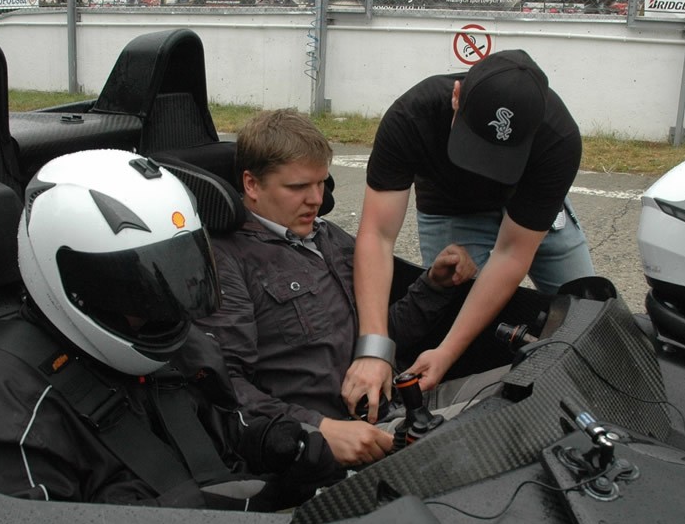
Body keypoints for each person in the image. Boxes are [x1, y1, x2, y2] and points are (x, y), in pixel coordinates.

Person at [0, 148, 332, 510]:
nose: (163, 309)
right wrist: (194, 510)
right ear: (77, 284)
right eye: (139, 291)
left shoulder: (172, 343)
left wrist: (272, 442)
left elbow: (224, 429)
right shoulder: (6, 402)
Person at [195, 109, 477, 468]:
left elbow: (381, 335)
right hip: (349, 438)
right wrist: (319, 430)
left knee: (524, 389)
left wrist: (434, 285)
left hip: (405, 401)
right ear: (251, 184)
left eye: (321, 183)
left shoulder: (328, 237)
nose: (316, 199)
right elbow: (226, 388)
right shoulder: (228, 262)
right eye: (298, 187)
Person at [345, 49, 594, 414]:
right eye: (475, 146)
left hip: (528, 206)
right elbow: (378, 236)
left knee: (589, 313)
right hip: (452, 205)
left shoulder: (558, 137)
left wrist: (447, 352)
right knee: (459, 323)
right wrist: (374, 348)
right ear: (456, 95)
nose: (485, 169)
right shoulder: (412, 115)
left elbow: (512, 254)